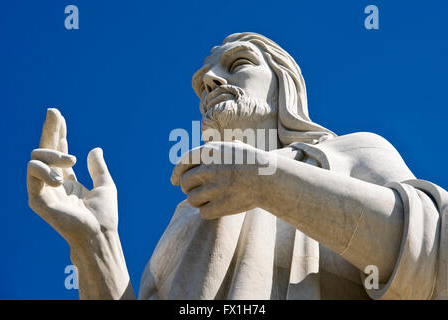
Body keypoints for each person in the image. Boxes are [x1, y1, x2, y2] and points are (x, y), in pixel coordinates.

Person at [27, 33, 448, 300]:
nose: (209, 79)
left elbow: (434, 258)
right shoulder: (189, 213)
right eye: (204, 76)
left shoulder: (346, 154)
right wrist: (96, 244)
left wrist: (268, 184)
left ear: (285, 86)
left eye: (238, 64)